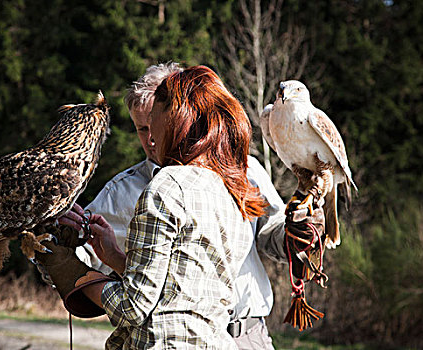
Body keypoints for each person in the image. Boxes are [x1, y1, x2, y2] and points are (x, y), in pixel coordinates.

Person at [44, 63, 325, 349]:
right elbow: (181, 289)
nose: (150, 138)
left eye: (153, 119)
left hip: (238, 334)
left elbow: (134, 306)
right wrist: (113, 256)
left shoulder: (174, 185)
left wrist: (70, 271)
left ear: (179, 118)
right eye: (141, 127)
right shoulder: (228, 185)